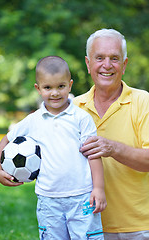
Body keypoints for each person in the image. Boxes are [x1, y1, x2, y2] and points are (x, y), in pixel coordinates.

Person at [0, 56, 107, 240]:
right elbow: (6, 139)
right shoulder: (33, 120)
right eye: (48, 87)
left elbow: (94, 154)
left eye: (60, 86)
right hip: (49, 200)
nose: (55, 93)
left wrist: (99, 188)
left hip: (82, 197)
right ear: (38, 89)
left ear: (70, 85)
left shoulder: (81, 118)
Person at [73, 28, 149, 240]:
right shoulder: (73, 108)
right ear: (88, 64)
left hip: (139, 228)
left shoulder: (144, 102)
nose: (107, 65)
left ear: (124, 65)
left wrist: (113, 148)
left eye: (114, 58)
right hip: (86, 225)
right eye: (100, 58)